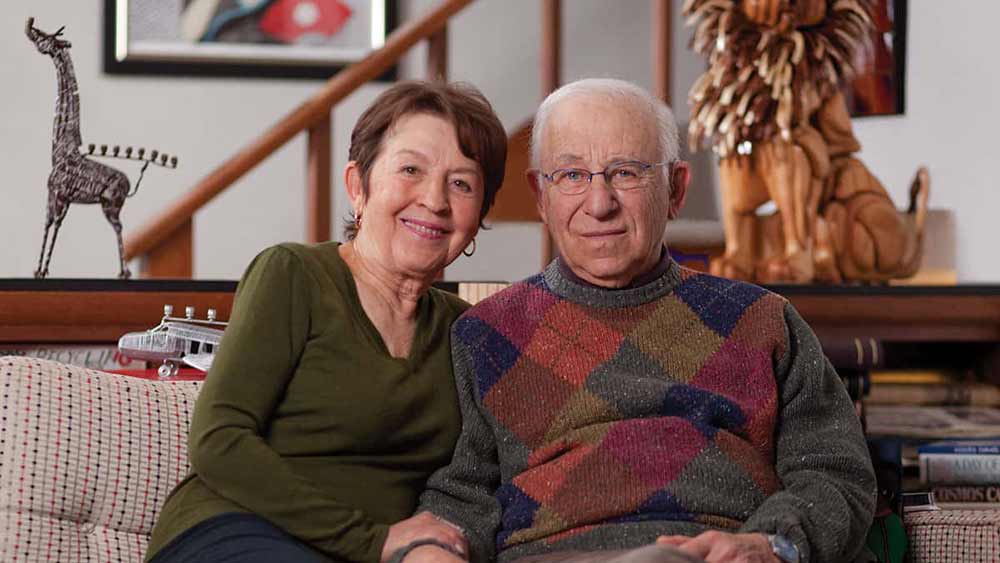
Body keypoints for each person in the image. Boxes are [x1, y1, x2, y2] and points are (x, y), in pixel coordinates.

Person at [392, 79, 876, 563]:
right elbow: (462, 492)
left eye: (625, 173)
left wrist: (769, 543)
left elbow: (835, 474)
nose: (599, 204)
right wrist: (431, 543)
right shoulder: (485, 335)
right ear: (541, 195)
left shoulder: (762, 320)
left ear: (676, 188)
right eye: (572, 176)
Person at [145, 81, 507, 563]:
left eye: (461, 183)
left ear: (477, 214)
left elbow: (480, 478)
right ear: (359, 185)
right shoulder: (294, 276)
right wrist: (373, 541)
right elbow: (218, 439)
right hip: (236, 531)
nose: (435, 200)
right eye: (410, 170)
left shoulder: (469, 334)